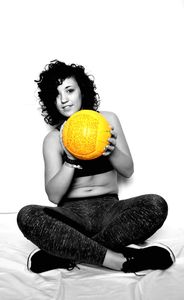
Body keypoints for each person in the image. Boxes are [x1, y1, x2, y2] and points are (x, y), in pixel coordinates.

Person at [17, 60, 175, 274]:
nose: (63, 100)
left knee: (156, 204)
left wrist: (111, 152)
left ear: (82, 90)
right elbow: (54, 196)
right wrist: (70, 161)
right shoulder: (53, 139)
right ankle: (117, 260)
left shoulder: (107, 120)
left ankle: (67, 250)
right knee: (27, 215)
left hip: (111, 211)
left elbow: (128, 170)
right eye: (56, 95)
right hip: (71, 215)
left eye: (69, 90)